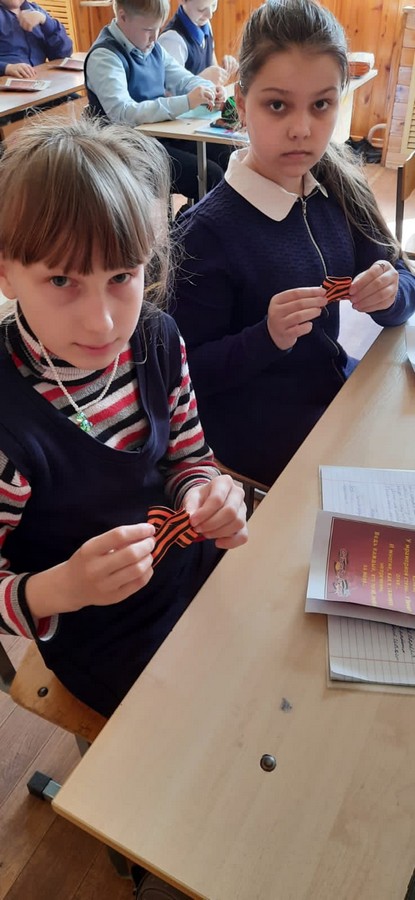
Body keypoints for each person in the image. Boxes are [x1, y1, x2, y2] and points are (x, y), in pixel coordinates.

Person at [0, 118, 247, 722]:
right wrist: (64, 586)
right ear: (5, 271)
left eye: (121, 277)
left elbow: (188, 458)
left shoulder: (158, 340)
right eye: (62, 280)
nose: (103, 322)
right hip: (102, 634)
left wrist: (208, 494)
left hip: (191, 570)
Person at [170, 0, 415, 487]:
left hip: (333, 395)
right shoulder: (204, 233)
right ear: (242, 105)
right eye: (277, 105)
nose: (302, 129)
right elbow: (183, 375)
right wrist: (266, 337)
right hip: (256, 432)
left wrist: (390, 294)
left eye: (321, 105)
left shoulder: (338, 186)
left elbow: (405, 285)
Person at [84, 0, 230, 202]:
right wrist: (186, 102)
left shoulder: (152, 47)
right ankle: (192, 221)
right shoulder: (104, 56)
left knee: (227, 153)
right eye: (148, 30)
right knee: (209, 175)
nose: (155, 37)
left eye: (158, 28)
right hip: (125, 149)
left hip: (158, 136)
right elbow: (123, 113)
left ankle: (197, 218)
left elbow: (183, 79)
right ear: (122, 16)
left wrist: (209, 89)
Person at [158, 0, 238, 85]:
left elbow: (212, 66)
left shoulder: (204, 24)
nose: (210, 15)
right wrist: (203, 78)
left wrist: (223, 69)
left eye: (213, 5)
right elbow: (170, 89)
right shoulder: (172, 40)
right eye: (201, 9)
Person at [0, 0, 73, 78]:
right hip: (7, 81)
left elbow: (63, 54)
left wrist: (45, 21)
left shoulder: (37, 10)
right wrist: (7, 68)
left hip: (41, 79)